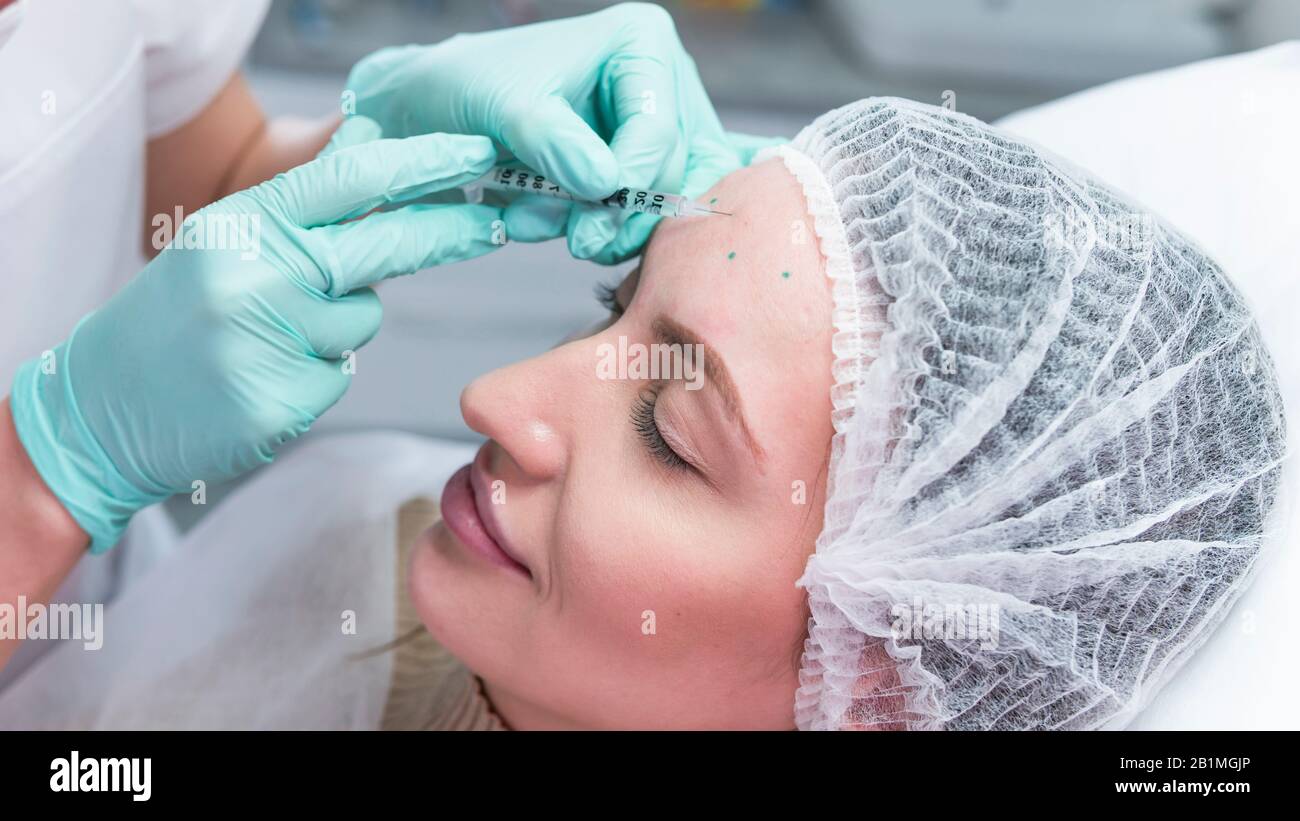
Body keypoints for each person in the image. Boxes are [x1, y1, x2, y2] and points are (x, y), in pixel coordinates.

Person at [0, 97, 1286, 730]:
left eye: (668, 428)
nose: (492, 400)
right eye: (610, 310)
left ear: (882, 683)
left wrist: (45, 480)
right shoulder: (363, 535)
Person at [0, 1, 768, 679]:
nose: (489, 398)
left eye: (670, 432)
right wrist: (51, 471)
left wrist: (380, 144)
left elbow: (202, 184)